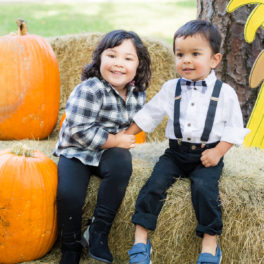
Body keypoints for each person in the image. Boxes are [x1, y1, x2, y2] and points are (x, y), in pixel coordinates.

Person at [126, 20, 249, 264]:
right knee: (153, 185)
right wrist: (126, 135)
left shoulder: (225, 93)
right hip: (175, 153)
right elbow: (149, 114)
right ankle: (140, 241)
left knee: (205, 191)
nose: (186, 60)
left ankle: (210, 243)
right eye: (180, 54)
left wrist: (218, 152)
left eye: (195, 54)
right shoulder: (171, 87)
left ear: (214, 60)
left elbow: (234, 129)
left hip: (207, 155)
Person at [53, 29, 151, 264]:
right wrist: (116, 140)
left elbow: (138, 121)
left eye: (128, 58)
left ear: (139, 65)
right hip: (76, 151)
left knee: (122, 164)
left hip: (107, 152)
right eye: (112, 56)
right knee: (69, 195)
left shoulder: (137, 93)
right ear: (99, 59)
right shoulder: (89, 90)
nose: (119, 64)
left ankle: (98, 230)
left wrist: (121, 140)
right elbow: (78, 130)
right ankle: (70, 246)